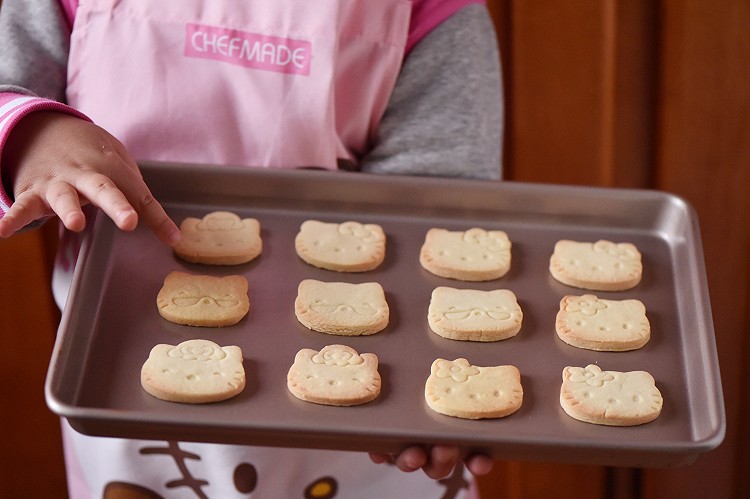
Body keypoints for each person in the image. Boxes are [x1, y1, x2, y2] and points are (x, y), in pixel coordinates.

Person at [0, 0, 504, 497]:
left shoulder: (429, 9)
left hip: (356, 416)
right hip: (129, 397)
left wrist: (440, 390)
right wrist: (30, 136)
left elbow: (439, 226)